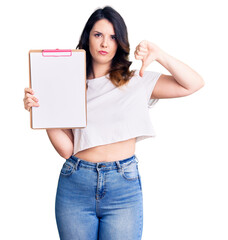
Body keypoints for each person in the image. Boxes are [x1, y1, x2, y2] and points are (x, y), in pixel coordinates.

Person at [23, 6, 204, 240]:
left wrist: (159, 54)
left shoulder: (136, 81)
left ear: (120, 43)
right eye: (98, 35)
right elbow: (66, 150)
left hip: (123, 187)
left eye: (112, 37)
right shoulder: (69, 83)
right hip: (76, 184)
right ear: (87, 38)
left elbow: (193, 84)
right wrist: (43, 110)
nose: (104, 43)